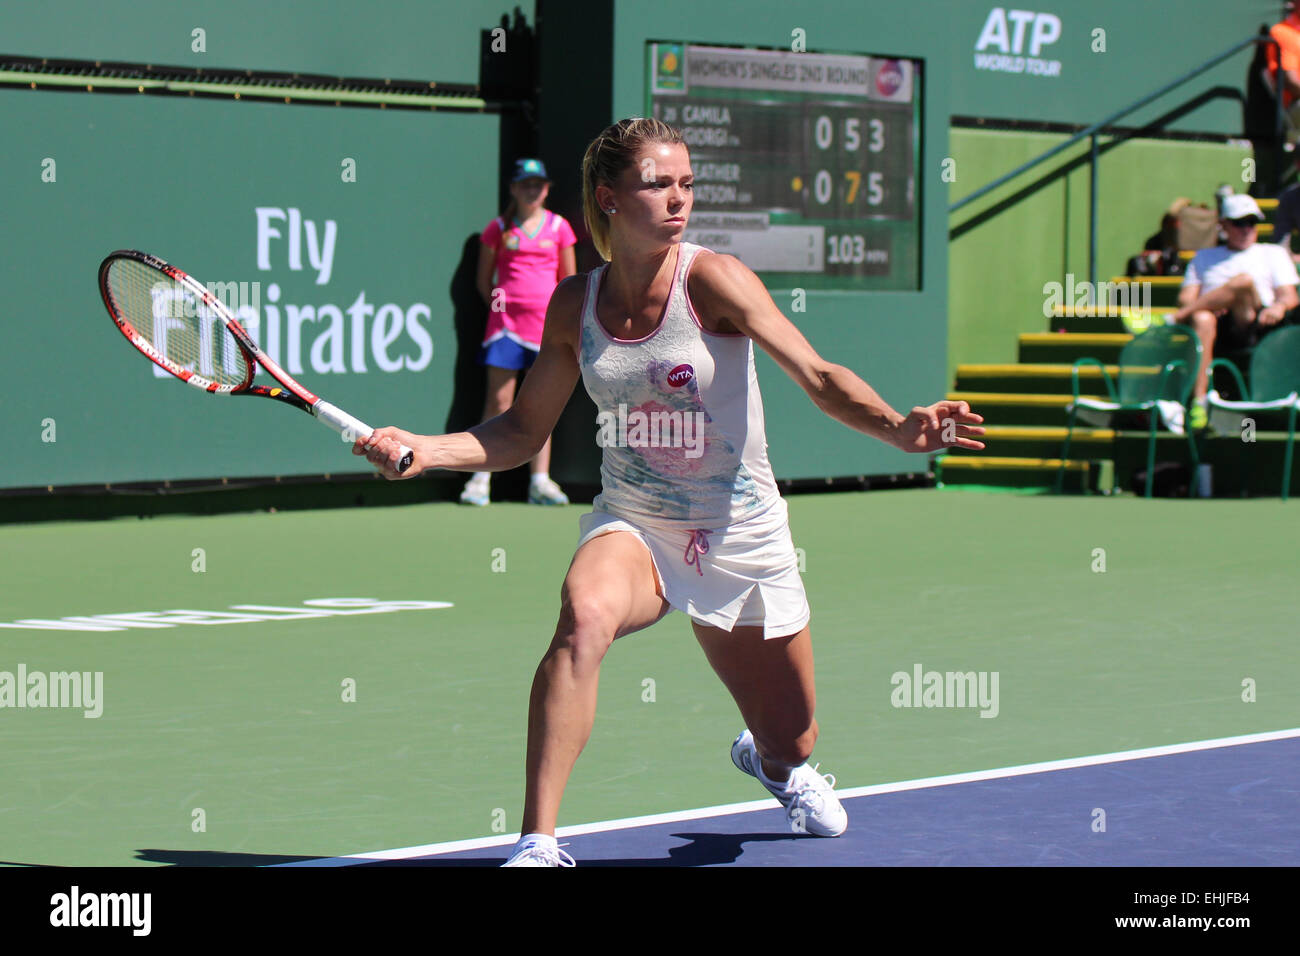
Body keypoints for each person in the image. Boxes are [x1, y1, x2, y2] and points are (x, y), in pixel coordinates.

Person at [356, 118, 985, 867]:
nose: (679, 198)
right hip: (636, 525)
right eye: (659, 183)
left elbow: (816, 378)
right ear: (609, 199)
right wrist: (427, 449)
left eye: (687, 183)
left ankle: (773, 763)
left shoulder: (715, 279)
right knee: (582, 618)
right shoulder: (572, 306)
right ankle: (536, 842)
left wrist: (899, 429)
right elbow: (524, 431)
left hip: (740, 536)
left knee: (796, 735)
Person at [461, 158, 577, 506]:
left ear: (546, 189)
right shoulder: (498, 228)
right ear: (513, 188)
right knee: (498, 402)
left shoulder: (559, 228)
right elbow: (484, 281)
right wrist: (503, 308)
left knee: (542, 404)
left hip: (546, 330)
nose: (532, 189)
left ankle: (539, 481)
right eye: (525, 183)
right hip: (505, 329)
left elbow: (568, 282)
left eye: (538, 184)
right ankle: (480, 479)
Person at [1174, 193, 1300, 429]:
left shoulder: (1272, 253)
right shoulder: (1204, 257)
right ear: (1223, 225)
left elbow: (1289, 296)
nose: (1246, 229)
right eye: (1239, 222)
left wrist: (1279, 307)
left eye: (1252, 222)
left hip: (1256, 323)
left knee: (1242, 282)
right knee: (1201, 318)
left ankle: (1174, 320)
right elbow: (1185, 298)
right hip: (1217, 328)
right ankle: (1199, 402)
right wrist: (1211, 306)